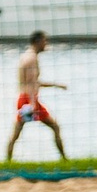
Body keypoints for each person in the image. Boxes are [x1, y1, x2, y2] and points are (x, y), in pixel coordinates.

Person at [6, 30, 67, 160]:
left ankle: (8, 161)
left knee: (16, 133)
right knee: (55, 127)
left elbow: (33, 82)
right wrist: (33, 103)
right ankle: (65, 159)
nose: (46, 44)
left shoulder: (26, 56)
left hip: (25, 98)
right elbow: (31, 83)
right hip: (29, 99)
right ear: (38, 41)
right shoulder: (32, 59)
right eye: (45, 41)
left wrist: (56, 85)